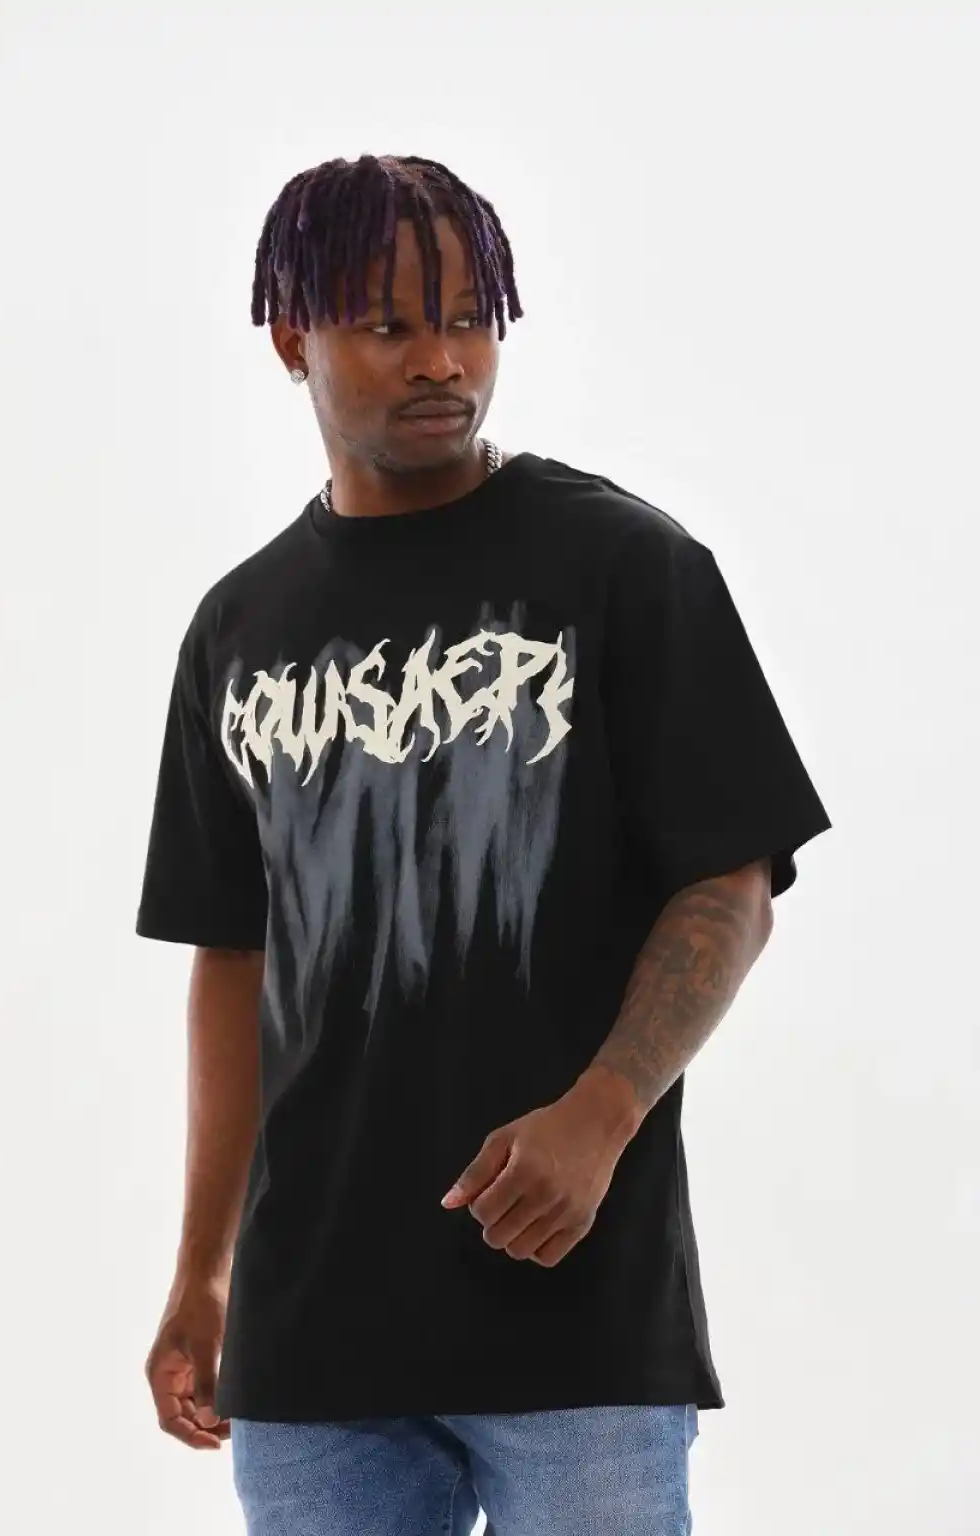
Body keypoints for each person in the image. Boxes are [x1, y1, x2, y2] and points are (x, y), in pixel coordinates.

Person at [137, 153, 832, 1536]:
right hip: (313, 1333)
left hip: (573, 1314)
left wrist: (602, 1112)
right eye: (390, 325)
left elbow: (731, 882)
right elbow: (233, 958)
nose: (444, 361)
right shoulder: (239, 628)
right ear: (292, 336)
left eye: (470, 318)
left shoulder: (624, 567)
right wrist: (202, 1268)